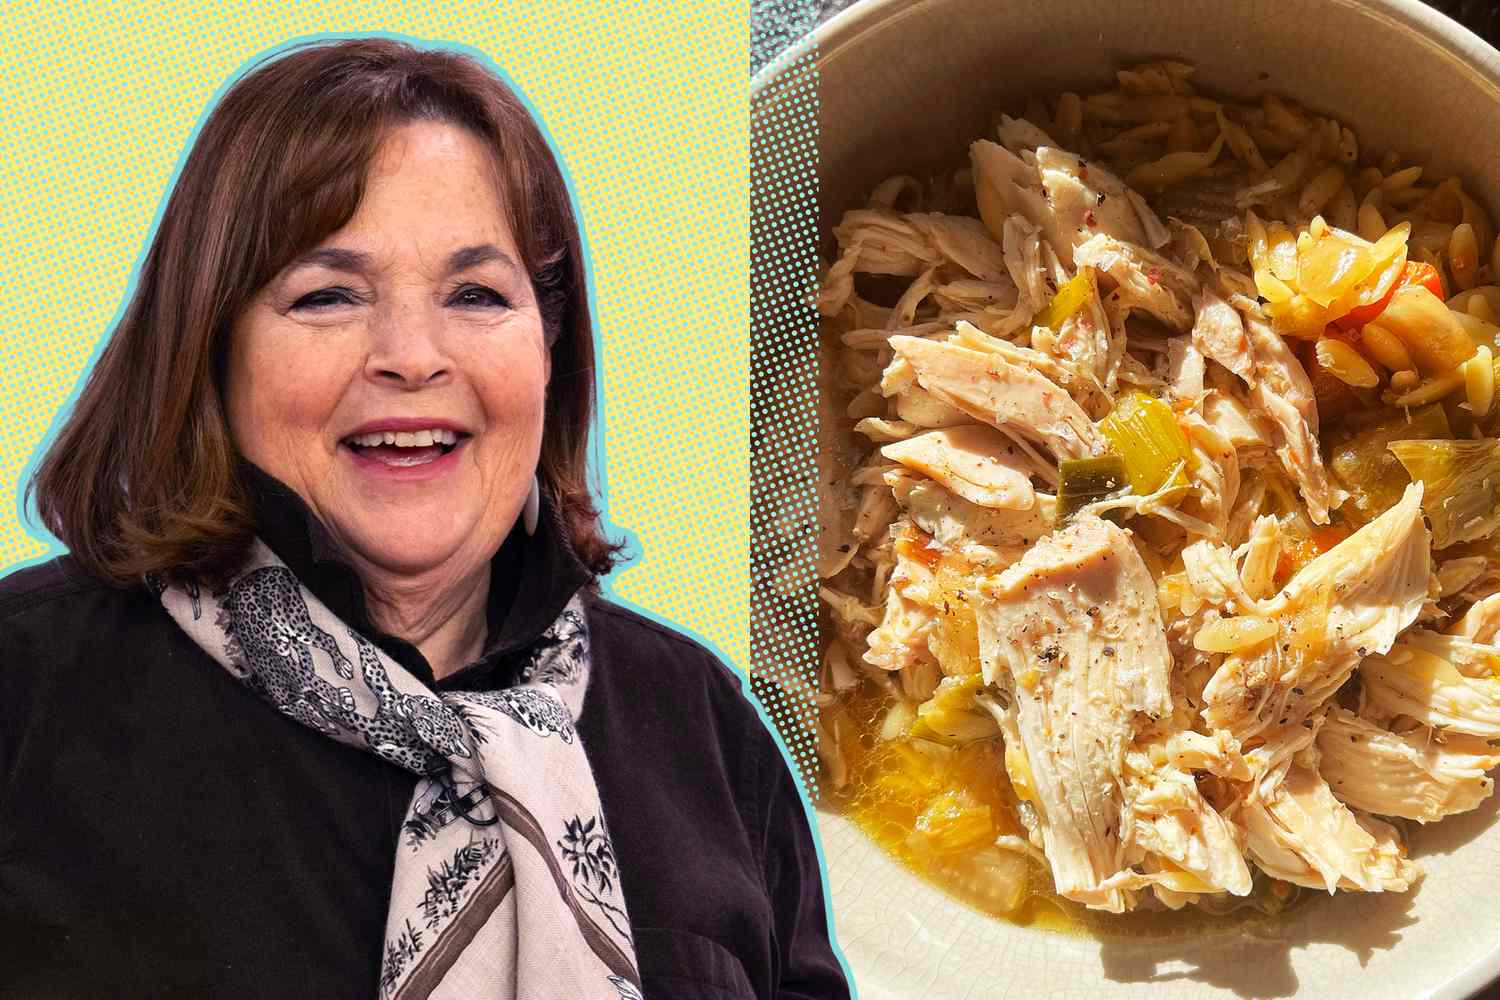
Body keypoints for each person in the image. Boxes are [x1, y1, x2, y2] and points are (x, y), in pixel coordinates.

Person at [0, 37, 847, 1000]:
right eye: (327, 296)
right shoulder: (24, 692)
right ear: (210, 349)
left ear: (548, 353)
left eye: (476, 294)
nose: (412, 355)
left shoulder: (707, 731)